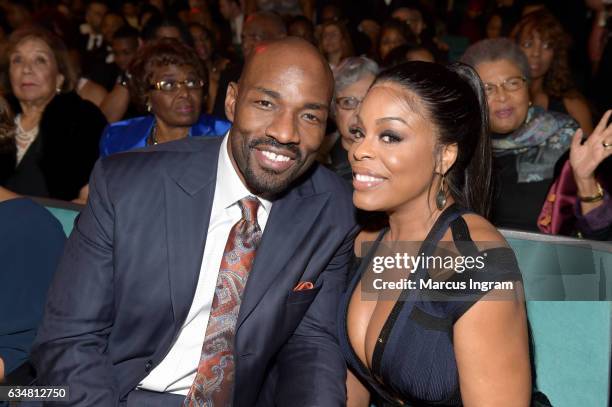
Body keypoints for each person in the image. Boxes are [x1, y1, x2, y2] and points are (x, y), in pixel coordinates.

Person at [32, 37, 358, 406]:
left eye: (309, 115)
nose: (285, 132)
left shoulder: (332, 209)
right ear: (232, 101)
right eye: (266, 103)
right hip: (117, 394)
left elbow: (312, 347)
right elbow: (69, 338)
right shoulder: (127, 185)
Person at [340, 61, 530, 406]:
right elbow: (353, 389)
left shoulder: (471, 261)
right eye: (359, 132)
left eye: (389, 136)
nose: (359, 151)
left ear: (445, 155)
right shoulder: (367, 242)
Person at [461, 38, 578, 231]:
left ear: (528, 89)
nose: (502, 96)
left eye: (512, 83)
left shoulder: (566, 137)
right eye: (487, 89)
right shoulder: (462, 147)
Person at [1, 27, 107, 201]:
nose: (26, 69)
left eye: (40, 60)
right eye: (17, 60)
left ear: (59, 77)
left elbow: (84, 204)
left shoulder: (83, 119)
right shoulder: (2, 117)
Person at [99, 38, 230, 157]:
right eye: (169, 84)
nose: (185, 93)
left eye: (192, 82)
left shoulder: (225, 136)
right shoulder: (118, 138)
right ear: (146, 94)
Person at [511, 10, 594, 134]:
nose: (536, 53)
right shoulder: (499, 100)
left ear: (555, 54)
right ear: (515, 48)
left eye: (546, 46)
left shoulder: (573, 107)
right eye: (528, 44)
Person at [324, 56, 378, 183]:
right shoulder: (320, 166)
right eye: (348, 102)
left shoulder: (396, 160)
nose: (359, 112)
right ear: (333, 110)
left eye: (367, 100)